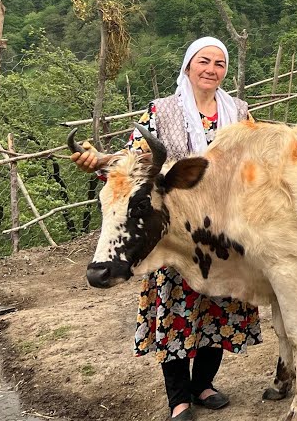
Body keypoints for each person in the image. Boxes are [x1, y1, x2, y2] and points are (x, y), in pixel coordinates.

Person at [71, 37, 262, 420]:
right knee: (175, 308)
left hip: (223, 230)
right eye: (204, 61)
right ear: (188, 66)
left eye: (219, 63)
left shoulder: (239, 112)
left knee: (218, 306)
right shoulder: (161, 111)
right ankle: (179, 399)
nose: (211, 69)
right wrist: (101, 161)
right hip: (172, 231)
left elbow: (256, 163)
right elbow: (132, 162)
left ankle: (203, 384)